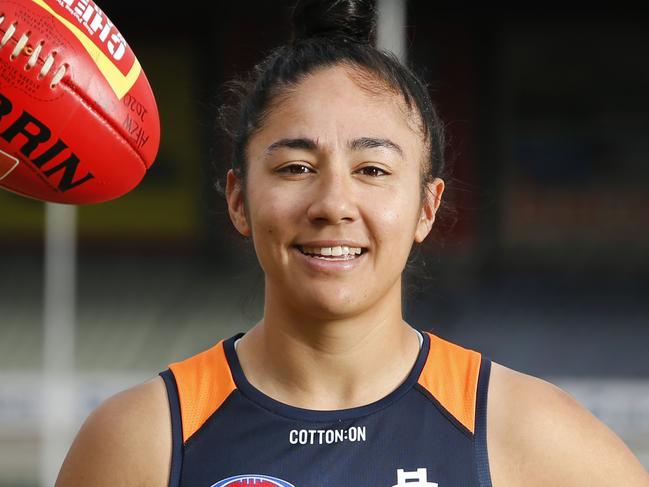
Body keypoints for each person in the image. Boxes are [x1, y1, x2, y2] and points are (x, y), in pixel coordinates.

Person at [55, 1, 649, 486]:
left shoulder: (526, 434)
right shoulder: (141, 440)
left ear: (427, 207)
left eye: (372, 170)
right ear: (237, 199)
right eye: (294, 167)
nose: (334, 204)